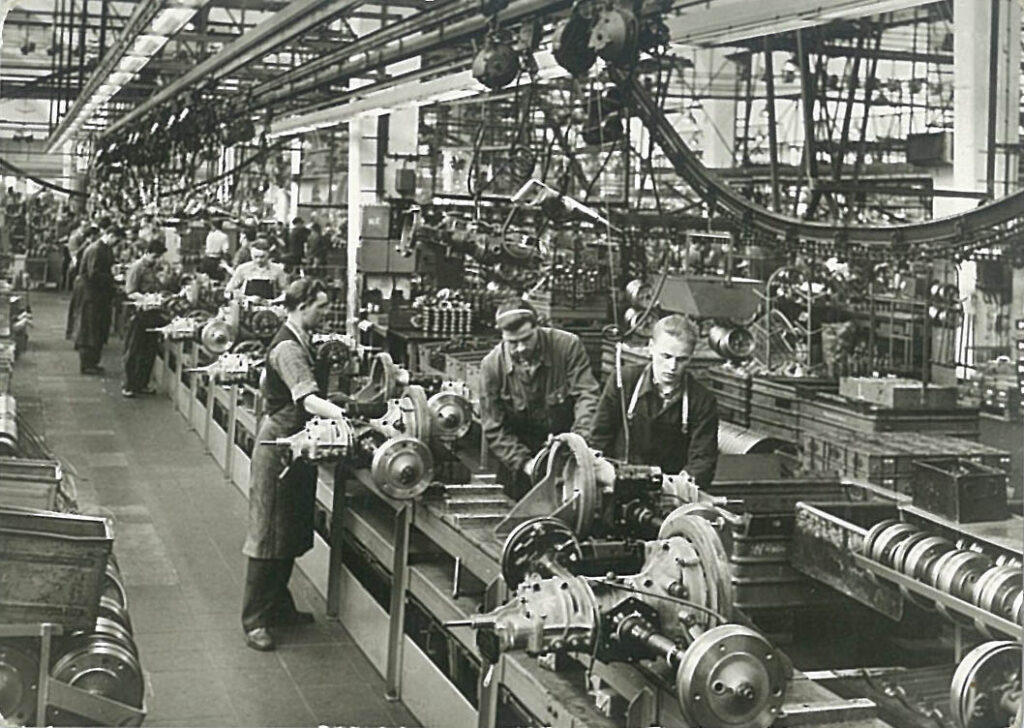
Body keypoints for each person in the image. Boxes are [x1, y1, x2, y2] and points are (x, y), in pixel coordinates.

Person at [241, 278, 348, 652]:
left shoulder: (301, 340)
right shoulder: (288, 348)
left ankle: (278, 607)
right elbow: (306, 399)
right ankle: (254, 620)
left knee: (287, 531)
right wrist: (341, 415)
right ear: (302, 307)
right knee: (268, 532)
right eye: (321, 306)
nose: (326, 312)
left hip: (296, 443)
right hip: (280, 446)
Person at [480, 299, 600, 499]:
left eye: (526, 339)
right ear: (502, 337)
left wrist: (577, 445)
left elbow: (587, 395)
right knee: (516, 512)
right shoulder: (491, 366)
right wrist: (525, 463)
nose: (520, 348)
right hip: (519, 461)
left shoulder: (567, 347)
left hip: (566, 453)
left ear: (538, 326)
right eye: (512, 343)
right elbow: (494, 427)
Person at [590, 314, 719, 486]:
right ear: (651, 347)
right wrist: (605, 472)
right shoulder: (623, 383)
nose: (672, 367)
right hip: (619, 484)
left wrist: (679, 485)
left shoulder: (702, 400)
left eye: (681, 359)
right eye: (666, 356)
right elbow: (598, 439)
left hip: (672, 491)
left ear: (691, 356)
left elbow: (703, 460)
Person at [120, 239, 168, 398]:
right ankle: (128, 385)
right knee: (134, 350)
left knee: (149, 351)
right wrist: (146, 298)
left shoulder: (152, 268)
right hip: (138, 314)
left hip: (151, 315)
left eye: (159, 257)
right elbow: (130, 291)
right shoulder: (136, 268)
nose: (157, 260)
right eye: (154, 256)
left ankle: (142, 383)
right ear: (146, 253)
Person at [73, 225, 120, 374]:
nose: (116, 243)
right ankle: (87, 364)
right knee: (89, 329)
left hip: (99, 295)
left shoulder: (105, 248)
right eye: (116, 239)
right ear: (110, 235)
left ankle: (93, 362)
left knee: (98, 329)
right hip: (91, 294)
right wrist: (112, 277)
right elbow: (93, 274)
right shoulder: (96, 249)